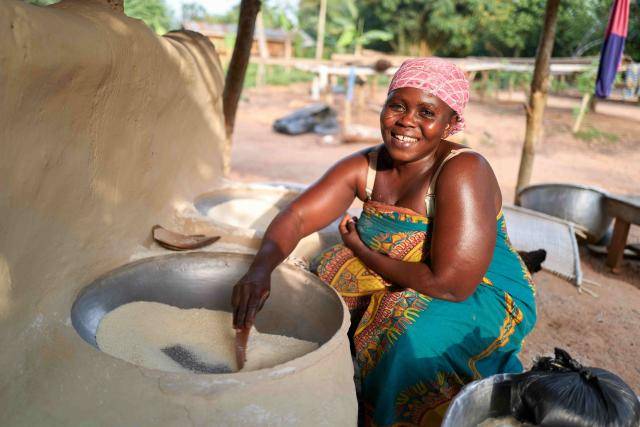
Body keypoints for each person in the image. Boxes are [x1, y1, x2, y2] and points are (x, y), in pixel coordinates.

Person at [231, 57, 536, 426]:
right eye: (397, 105)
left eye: (426, 112)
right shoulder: (368, 165)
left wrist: (362, 250)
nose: (407, 121)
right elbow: (297, 217)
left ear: (450, 124)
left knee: (403, 330)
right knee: (320, 277)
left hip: (479, 293)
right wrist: (259, 270)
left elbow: (451, 285)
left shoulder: (462, 170)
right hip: (409, 273)